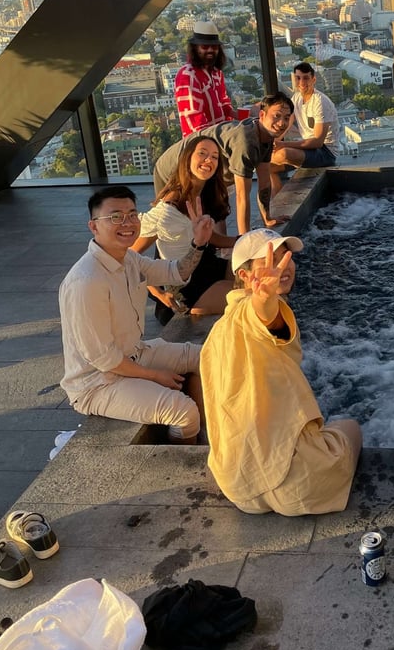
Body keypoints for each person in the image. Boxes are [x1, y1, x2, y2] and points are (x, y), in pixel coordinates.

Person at [201, 228, 362, 515]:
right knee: (351, 429)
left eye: (285, 257)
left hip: (237, 485)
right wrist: (264, 298)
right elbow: (262, 314)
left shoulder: (219, 331)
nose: (283, 265)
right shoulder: (254, 311)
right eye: (270, 261)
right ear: (245, 275)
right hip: (296, 486)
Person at [58, 186, 214, 443]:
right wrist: (156, 376)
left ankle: (209, 434)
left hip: (135, 354)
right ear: (94, 226)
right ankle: (186, 460)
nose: (127, 223)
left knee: (208, 356)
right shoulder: (86, 281)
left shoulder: (129, 258)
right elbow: (104, 359)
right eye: (115, 217)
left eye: (132, 214)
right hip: (98, 382)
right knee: (183, 412)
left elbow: (176, 272)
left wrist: (198, 242)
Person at [132, 136, 238, 325]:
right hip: (188, 287)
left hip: (208, 266)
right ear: (187, 158)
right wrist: (158, 293)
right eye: (202, 154)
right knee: (247, 297)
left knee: (261, 273)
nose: (209, 160)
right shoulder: (168, 209)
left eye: (214, 157)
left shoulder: (202, 194)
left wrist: (243, 240)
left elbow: (208, 237)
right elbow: (130, 256)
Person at [153, 92, 294, 233]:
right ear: (262, 115)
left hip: (203, 173)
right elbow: (242, 196)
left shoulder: (266, 136)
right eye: (276, 116)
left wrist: (267, 218)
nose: (282, 123)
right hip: (173, 168)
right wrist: (244, 241)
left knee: (207, 220)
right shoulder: (246, 141)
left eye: (286, 118)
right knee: (171, 227)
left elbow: (264, 183)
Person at [269, 62, 340, 195]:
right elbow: (286, 125)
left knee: (283, 153)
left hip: (325, 152)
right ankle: (276, 202)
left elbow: (318, 142)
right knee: (267, 166)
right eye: (298, 78)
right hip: (309, 149)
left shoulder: (320, 101)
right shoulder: (296, 98)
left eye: (306, 78)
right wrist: (273, 142)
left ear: (313, 79)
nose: (301, 82)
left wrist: (282, 144)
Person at [174, 20, 237, 136]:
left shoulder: (216, 73)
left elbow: (224, 104)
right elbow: (194, 119)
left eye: (214, 47)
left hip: (220, 138)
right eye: (204, 46)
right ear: (195, 48)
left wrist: (242, 117)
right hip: (201, 145)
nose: (210, 50)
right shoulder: (187, 75)